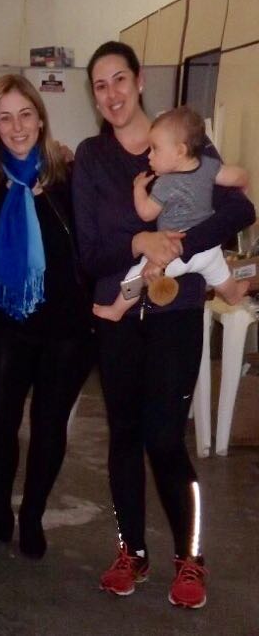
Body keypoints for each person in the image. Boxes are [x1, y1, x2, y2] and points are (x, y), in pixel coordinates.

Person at [73, 41, 255, 609]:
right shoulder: (92, 157)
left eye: (119, 80)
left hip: (175, 314)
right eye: (100, 85)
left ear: (140, 81)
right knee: (125, 435)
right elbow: (90, 252)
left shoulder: (186, 141)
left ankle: (190, 557)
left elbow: (240, 209)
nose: (112, 94)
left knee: (164, 438)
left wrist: (176, 245)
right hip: (119, 317)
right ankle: (131, 552)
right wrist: (138, 241)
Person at [0, 74, 94, 559]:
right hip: (4, 327)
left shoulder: (72, 178)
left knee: (49, 425)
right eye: (5, 118)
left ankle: (32, 517)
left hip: (67, 330)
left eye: (25, 115)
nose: (17, 127)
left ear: (40, 118)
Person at [93, 106, 249, 321]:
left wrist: (138, 189)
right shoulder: (208, 166)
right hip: (208, 248)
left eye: (155, 149)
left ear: (180, 151)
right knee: (222, 278)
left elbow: (146, 214)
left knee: (137, 277)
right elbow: (236, 175)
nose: (149, 155)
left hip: (173, 252)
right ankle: (234, 295)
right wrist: (244, 184)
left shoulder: (164, 184)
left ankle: (117, 309)